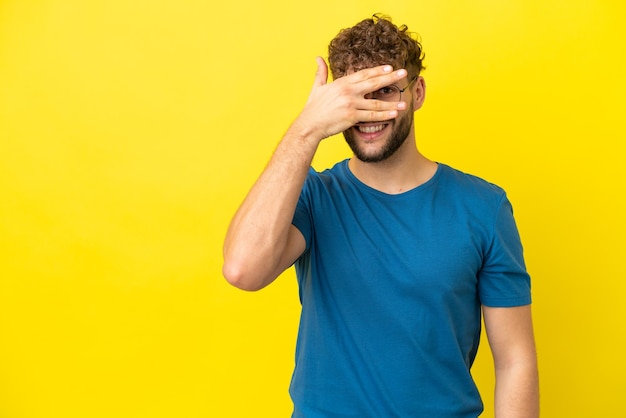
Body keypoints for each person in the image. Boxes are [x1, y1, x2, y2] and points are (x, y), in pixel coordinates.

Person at [223, 14, 539, 418]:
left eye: (385, 91)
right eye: (354, 95)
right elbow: (242, 270)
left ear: (418, 91)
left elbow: (515, 361)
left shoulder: (483, 207)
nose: (369, 111)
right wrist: (306, 129)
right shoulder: (313, 198)